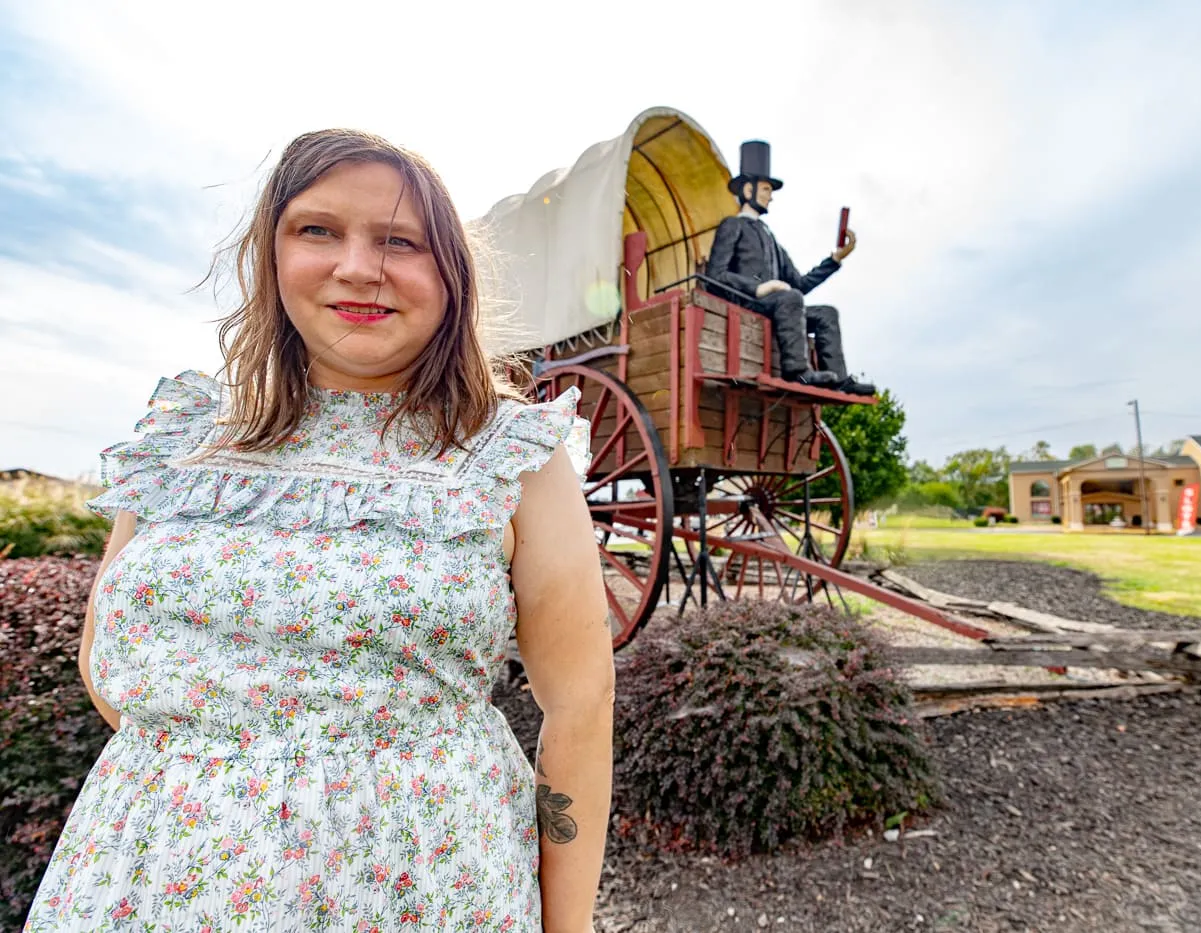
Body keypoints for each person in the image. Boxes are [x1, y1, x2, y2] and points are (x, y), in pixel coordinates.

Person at [25, 130, 614, 933]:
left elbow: (580, 703)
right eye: (318, 230)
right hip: (152, 878)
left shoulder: (508, 456)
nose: (358, 266)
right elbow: (111, 664)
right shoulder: (183, 440)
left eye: (400, 241)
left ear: (451, 273)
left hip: (422, 891)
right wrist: (231, 774)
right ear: (271, 255)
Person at [703, 140, 876, 396]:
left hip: (779, 306)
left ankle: (839, 379)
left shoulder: (770, 239)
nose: (770, 195)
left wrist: (835, 260)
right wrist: (759, 288)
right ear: (748, 190)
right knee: (789, 297)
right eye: (765, 188)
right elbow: (714, 277)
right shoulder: (733, 226)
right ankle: (797, 372)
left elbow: (799, 284)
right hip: (745, 302)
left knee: (826, 313)